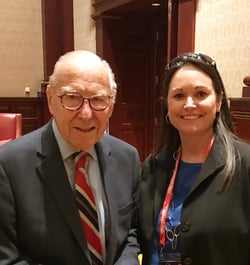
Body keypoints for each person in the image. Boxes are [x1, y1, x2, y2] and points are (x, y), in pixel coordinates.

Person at [0, 50, 141, 265]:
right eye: (72, 98)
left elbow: (130, 232)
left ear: (111, 104)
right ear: (51, 100)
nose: (86, 114)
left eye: (98, 99)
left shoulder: (127, 157)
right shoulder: (8, 165)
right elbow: (7, 257)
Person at [138, 52, 250, 265]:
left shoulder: (245, 165)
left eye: (200, 94)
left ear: (218, 102)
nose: (189, 104)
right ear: (167, 107)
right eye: (178, 96)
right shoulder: (153, 166)